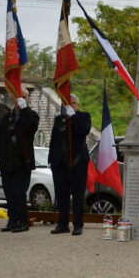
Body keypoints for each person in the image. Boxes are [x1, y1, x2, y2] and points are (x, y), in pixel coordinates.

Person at [0, 87, 40, 233]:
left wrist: (25, 109)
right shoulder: (7, 116)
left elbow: (29, 128)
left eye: (24, 97)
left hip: (22, 162)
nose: (20, 100)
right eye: (18, 97)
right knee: (9, 194)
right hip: (7, 162)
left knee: (19, 193)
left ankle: (23, 221)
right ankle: (13, 221)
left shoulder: (31, 115)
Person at [48, 94, 92, 236]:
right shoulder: (59, 120)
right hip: (60, 162)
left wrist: (73, 116)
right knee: (61, 195)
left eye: (73, 103)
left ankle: (78, 224)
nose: (71, 106)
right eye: (68, 104)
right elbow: (54, 140)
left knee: (78, 195)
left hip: (78, 162)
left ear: (77, 105)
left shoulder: (84, 117)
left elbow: (83, 131)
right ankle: (62, 223)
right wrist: (51, 159)